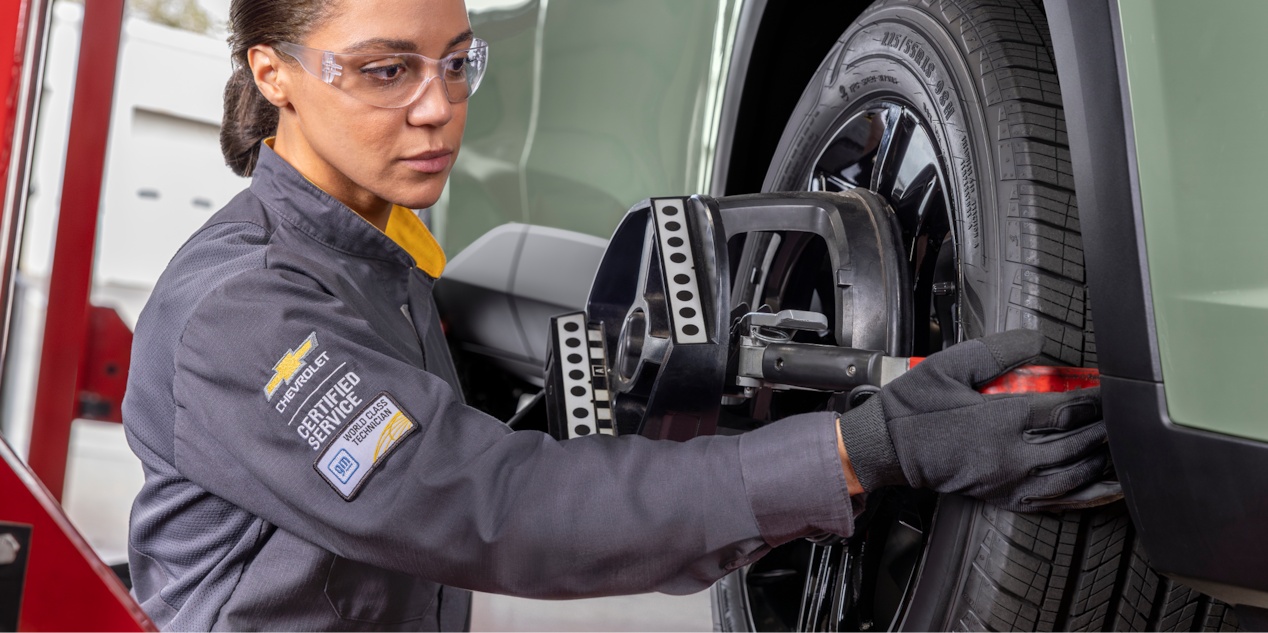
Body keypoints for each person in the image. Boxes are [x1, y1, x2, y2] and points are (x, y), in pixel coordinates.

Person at [120, 0, 1117, 629]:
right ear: (273, 75)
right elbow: (492, 510)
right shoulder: (244, 311)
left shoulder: (370, 265)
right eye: (385, 70)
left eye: (457, 61)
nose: (436, 107)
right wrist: (855, 453)